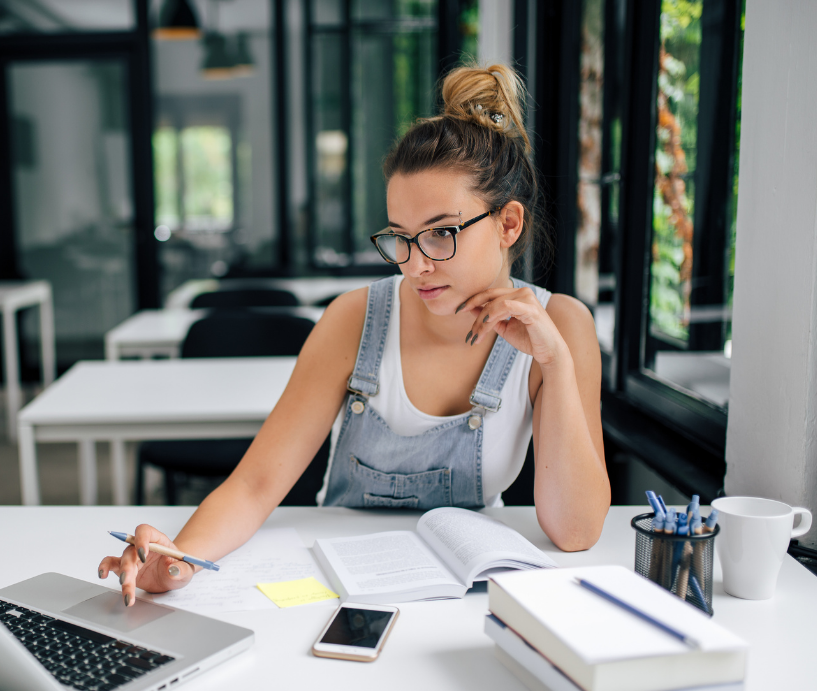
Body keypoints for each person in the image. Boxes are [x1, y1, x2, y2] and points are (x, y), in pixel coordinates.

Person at [99, 63, 611, 606]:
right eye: (400, 238)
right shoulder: (355, 317)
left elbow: (575, 533)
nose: (415, 267)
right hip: (341, 588)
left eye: (440, 234)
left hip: (469, 595)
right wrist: (179, 556)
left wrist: (554, 364)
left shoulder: (565, 327)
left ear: (509, 224)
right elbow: (254, 486)